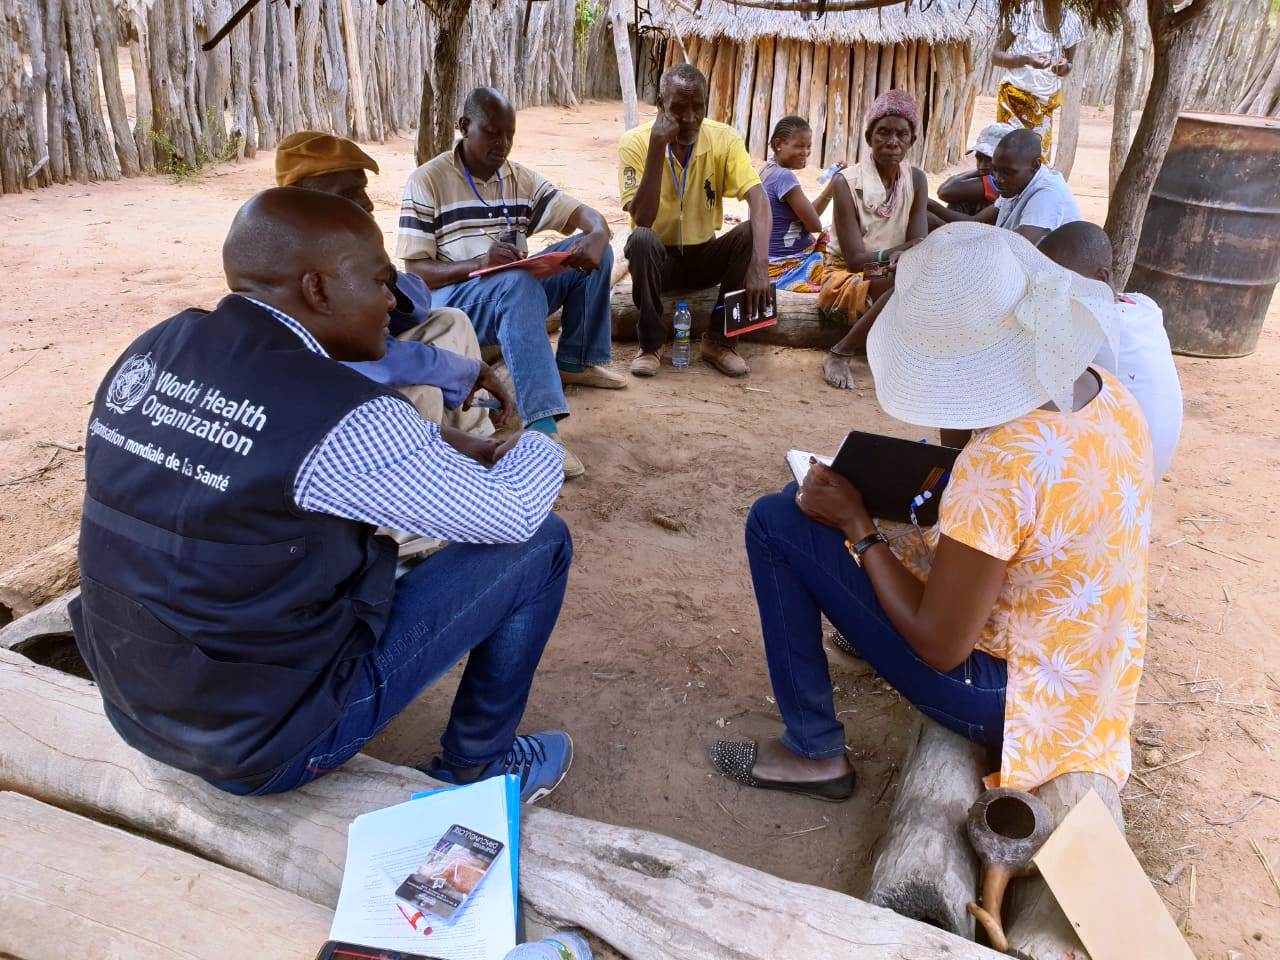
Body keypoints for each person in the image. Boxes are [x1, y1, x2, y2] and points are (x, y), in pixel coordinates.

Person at [70, 188, 575, 803]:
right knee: (541, 542)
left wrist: (441, 443)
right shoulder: (338, 415)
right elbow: (515, 511)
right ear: (317, 289)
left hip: (133, 698)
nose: (392, 301)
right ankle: (480, 769)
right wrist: (536, 440)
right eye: (378, 281)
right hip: (261, 747)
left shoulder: (153, 349)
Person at [712, 223, 1152, 803]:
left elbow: (941, 648)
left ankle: (812, 752)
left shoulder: (999, 463)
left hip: (1013, 698)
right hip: (1093, 676)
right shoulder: (1109, 393)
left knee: (776, 520)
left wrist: (859, 528)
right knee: (864, 508)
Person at [397, 87, 623, 479]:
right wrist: (478, 263)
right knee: (516, 283)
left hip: (510, 290)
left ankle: (574, 360)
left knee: (592, 250)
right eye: (492, 132)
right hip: (454, 304)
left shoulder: (518, 179)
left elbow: (582, 214)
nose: (502, 144)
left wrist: (599, 232)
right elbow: (415, 270)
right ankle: (542, 431)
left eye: (509, 135)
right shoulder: (427, 181)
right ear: (465, 127)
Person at [275, 130, 512, 437]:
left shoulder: (340, 244)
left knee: (450, 321)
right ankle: (445, 463)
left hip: (365, 366)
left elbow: (417, 310)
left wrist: (384, 275)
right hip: (327, 403)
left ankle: (478, 439)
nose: (368, 204)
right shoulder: (299, 267)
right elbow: (373, 360)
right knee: (424, 392)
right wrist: (465, 369)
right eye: (349, 194)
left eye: (363, 189)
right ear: (306, 202)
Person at [618, 63, 772, 379]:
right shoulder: (635, 142)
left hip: (704, 255)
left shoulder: (724, 138)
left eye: (697, 106)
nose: (689, 117)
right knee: (641, 239)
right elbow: (642, 218)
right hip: (657, 262)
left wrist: (760, 264)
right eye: (678, 108)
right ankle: (650, 344)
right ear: (660, 104)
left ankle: (720, 342)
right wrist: (656, 148)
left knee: (747, 234)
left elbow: (759, 199)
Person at [1039, 221, 1183, 477]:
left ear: (1101, 278)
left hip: (1117, 479)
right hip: (1144, 473)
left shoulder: (1088, 329)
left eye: (1062, 280)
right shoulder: (1145, 306)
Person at [818, 90, 928, 386]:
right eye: (883, 133)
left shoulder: (916, 180)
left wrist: (907, 253)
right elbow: (855, 260)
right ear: (869, 138)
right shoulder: (846, 183)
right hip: (850, 275)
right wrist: (904, 251)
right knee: (903, 279)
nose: (892, 142)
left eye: (901, 135)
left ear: (912, 141)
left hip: (895, 268)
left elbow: (920, 244)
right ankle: (840, 352)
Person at [992, 4, 1085, 163]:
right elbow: (995, 56)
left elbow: (1069, 65)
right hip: (1013, 98)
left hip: (1044, 105)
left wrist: (1062, 67)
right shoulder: (1022, 12)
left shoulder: (1072, 21)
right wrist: (1026, 59)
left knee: (1036, 163)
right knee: (1007, 160)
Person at [760, 115, 842, 292]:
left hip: (768, 260)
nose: (805, 152)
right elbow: (814, 224)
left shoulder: (767, 170)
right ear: (778, 144)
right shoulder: (784, 177)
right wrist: (833, 187)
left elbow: (804, 214)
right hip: (788, 265)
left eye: (808, 146)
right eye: (798, 146)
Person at [989, 128, 1082, 243]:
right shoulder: (1015, 185)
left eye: (1008, 172)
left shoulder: (1048, 194)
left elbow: (1017, 246)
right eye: (994, 170)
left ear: (1035, 165)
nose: (998, 179)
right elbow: (975, 220)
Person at [933, 121, 1014, 217]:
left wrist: (978, 172)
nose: (982, 165)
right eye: (979, 158)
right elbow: (943, 189)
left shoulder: (1002, 182)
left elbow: (945, 192)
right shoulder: (987, 174)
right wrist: (978, 171)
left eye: (989, 159)